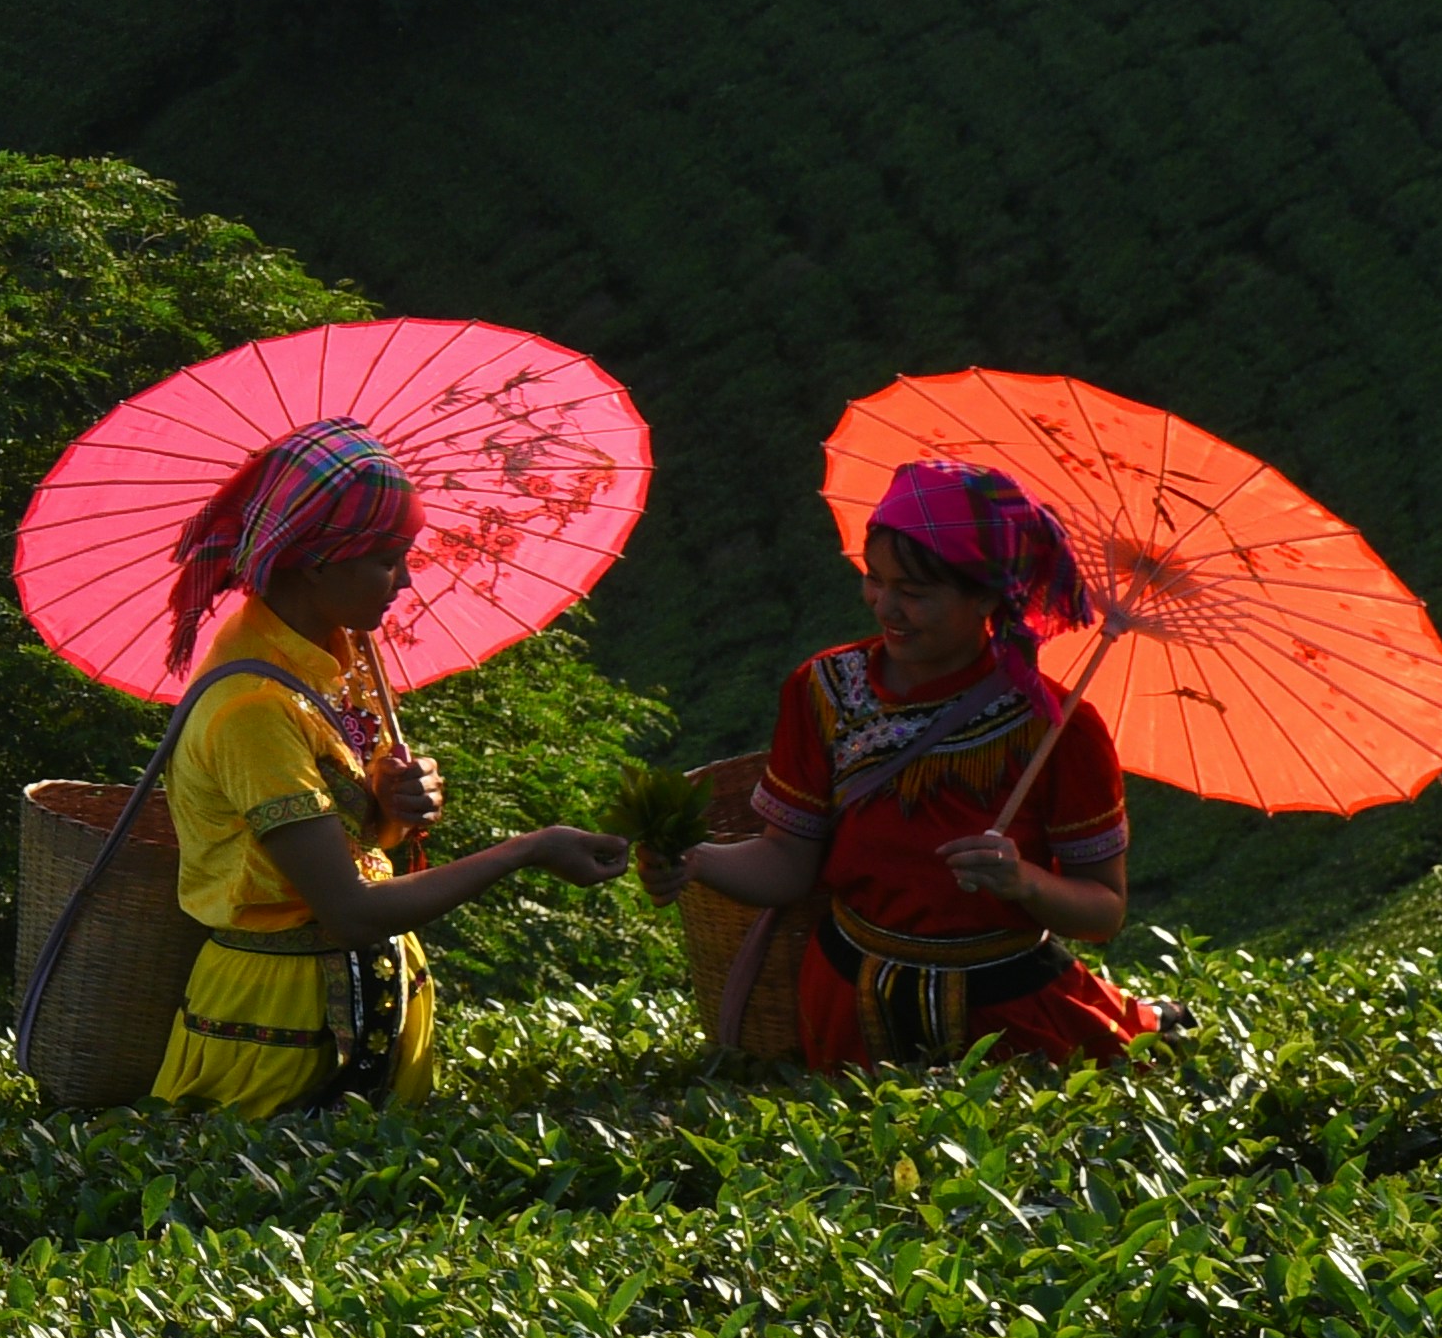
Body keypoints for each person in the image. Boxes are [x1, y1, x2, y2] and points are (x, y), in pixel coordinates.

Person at [135, 420, 631, 1115]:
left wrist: (390, 809)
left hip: (357, 1012)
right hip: (280, 1034)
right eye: (387, 559)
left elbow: (358, 847)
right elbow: (347, 910)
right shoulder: (251, 709)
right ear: (317, 560)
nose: (404, 578)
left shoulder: (338, 661)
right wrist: (530, 850)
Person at [672, 458, 1165, 1070]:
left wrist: (1025, 883)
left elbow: (1102, 911)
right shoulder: (822, 690)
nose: (885, 606)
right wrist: (693, 861)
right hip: (848, 1006)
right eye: (875, 579)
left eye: (915, 592)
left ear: (988, 594)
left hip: (1009, 1015)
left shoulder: (1058, 729)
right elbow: (786, 863)